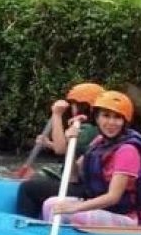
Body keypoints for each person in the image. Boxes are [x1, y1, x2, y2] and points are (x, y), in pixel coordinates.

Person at [42, 90, 141, 226]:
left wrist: (75, 207)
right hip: (106, 210)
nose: (111, 122)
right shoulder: (99, 142)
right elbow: (74, 177)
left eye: (117, 117)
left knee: (63, 211)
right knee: (50, 204)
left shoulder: (128, 150)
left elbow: (113, 197)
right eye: (106, 116)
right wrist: (71, 145)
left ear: (125, 121)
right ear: (97, 118)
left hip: (130, 219)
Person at [15, 82, 103, 218]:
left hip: (84, 188)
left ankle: (26, 222)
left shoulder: (87, 130)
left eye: (74, 104)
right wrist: (48, 143)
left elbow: (60, 149)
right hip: (79, 180)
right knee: (41, 176)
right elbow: (69, 149)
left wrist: (56, 115)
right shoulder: (91, 130)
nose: (72, 108)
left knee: (27, 188)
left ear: (82, 106)